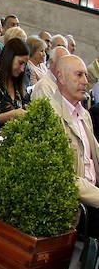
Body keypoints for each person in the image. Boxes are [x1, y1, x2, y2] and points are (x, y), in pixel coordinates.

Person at [46, 55, 99, 209]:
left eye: (86, 76)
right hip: (75, 203)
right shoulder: (50, 114)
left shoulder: (84, 114)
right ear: (61, 77)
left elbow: (96, 154)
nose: (85, 81)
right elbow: (63, 176)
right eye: (79, 75)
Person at [0, 37, 31, 124]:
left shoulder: (19, 84)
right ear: (9, 57)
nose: (22, 69)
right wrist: (11, 115)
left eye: (25, 65)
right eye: (20, 63)